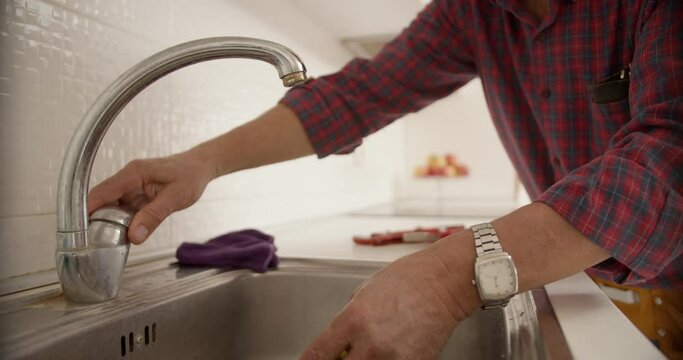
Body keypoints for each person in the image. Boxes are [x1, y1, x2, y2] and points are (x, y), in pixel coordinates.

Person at [88, 0, 682, 358]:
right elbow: (364, 92)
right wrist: (203, 162)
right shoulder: (474, 11)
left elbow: (669, 157)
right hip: (598, 286)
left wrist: (447, 281)